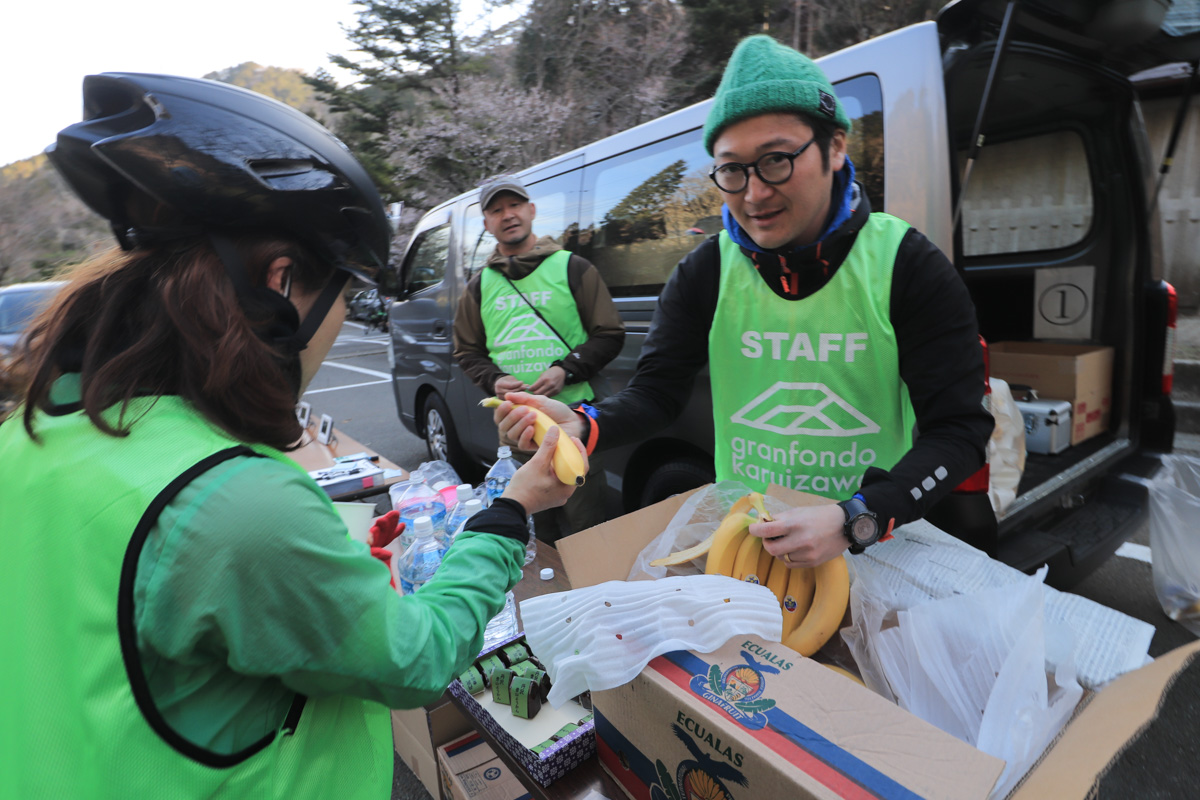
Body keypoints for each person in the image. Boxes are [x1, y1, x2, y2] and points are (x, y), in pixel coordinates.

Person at [0, 73, 584, 798]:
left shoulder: (27, 441)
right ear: (283, 282)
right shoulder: (228, 502)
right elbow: (418, 659)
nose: (339, 325)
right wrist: (512, 510)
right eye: (343, 295)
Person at [491, 35, 993, 568]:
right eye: (732, 169)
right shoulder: (706, 270)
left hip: (868, 541)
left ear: (836, 148)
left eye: (776, 160)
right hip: (748, 536)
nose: (754, 194)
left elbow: (960, 430)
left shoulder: (905, 262)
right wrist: (584, 424)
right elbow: (656, 394)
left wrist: (859, 516)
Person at [453, 175, 625, 540]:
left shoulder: (573, 267)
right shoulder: (478, 286)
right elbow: (467, 351)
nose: (507, 215)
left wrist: (566, 370)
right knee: (532, 533)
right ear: (487, 224)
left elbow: (609, 334)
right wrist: (493, 380)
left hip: (575, 422)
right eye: (496, 210)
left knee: (587, 531)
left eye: (514, 205)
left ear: (531, 211)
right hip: (517, 429)